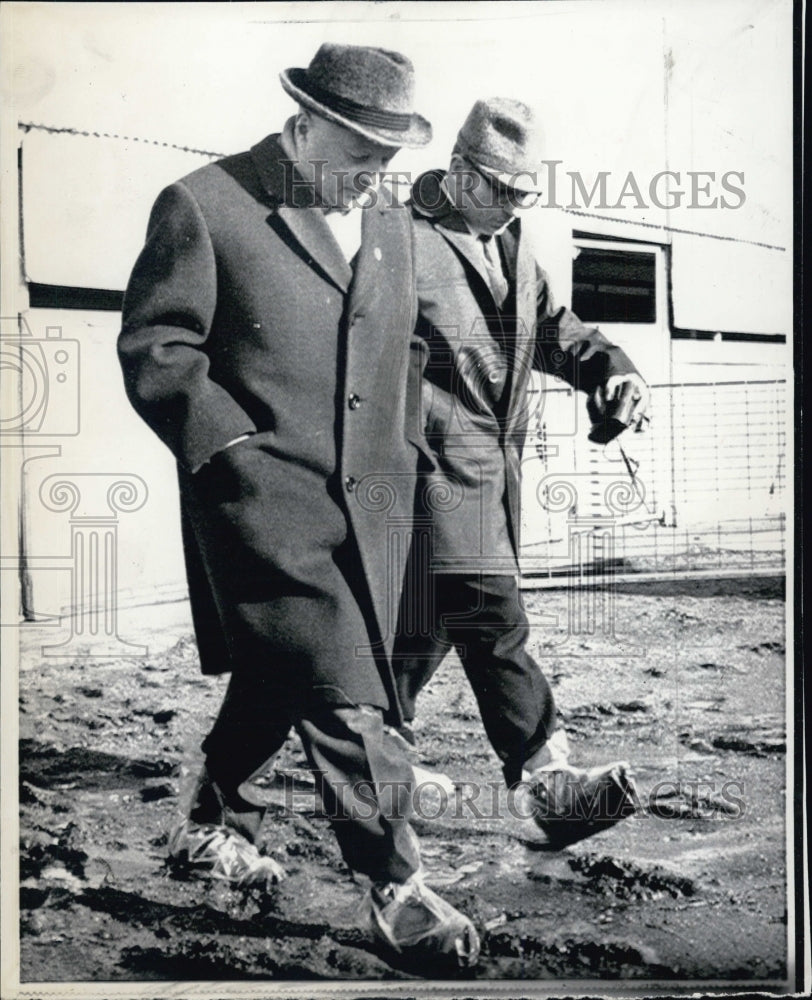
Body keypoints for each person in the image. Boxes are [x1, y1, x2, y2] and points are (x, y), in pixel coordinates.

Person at [117, 43, 479, 968]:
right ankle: (396, 889)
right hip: (264, 503)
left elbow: (403, 352)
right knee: (349, 696)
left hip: (376, 500)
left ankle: (206, 814)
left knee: (301, 672)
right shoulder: (205, 202)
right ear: (305, 123)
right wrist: (234, 453)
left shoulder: (390, 222)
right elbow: (158, 347)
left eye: (386, 163)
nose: (373, 179)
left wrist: (409, 450)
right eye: (360, 157)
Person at [391, 98, 648, 845]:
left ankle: (352, 747)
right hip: (427, 479)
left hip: (491, 482)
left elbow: (558, 331)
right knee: (495, 619)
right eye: (502, 190)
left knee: (425, 633)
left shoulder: (510, 242)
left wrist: (611, 371)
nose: (513, 207)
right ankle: (548, 780)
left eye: (525, 194)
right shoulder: (399, 242)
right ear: (460, 172)